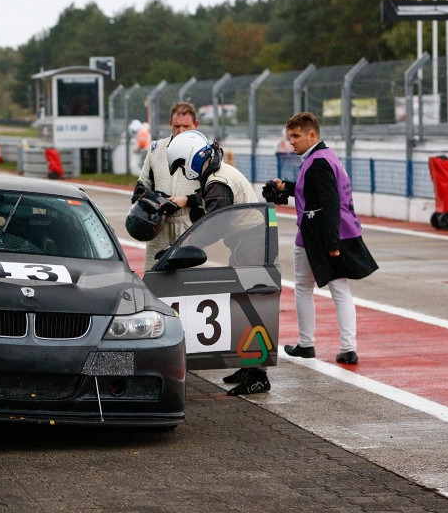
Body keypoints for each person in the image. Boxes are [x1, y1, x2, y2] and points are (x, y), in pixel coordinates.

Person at [163, 130, 267, 395]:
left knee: (250, 308)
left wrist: (181, 248)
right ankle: (249, 365)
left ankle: (258, 376)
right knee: (244, 306)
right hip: (249, 243)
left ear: (189, 160)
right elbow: (210, 206)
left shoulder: (217, 182)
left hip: (250, 245)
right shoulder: (218, 174)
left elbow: (214, 225)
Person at [270, 112, 378, 366]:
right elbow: (317, 192)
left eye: (296, 136)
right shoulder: (325, 157)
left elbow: (329, 203)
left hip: (318, 235)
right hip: (335, 232)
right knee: (339, 290)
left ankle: (308, 344)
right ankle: (347, 348)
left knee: (305, 288)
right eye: (289, 137)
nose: (291, 142)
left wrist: (331, 244)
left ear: (312, 135)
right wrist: (288, 186)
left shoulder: (317, 162)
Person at [131, 102, 201, 269]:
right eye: (177, 126)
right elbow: (140, 187)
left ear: (196, 125)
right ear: (170, 123)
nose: (181, 131)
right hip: (158, 227)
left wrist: (187, 200)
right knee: (154, 281)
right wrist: (156, 200)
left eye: (186, 126)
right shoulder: (156, 149)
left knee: (188, 286)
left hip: (190, 229)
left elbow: (216, 197)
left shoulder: (207, 153)